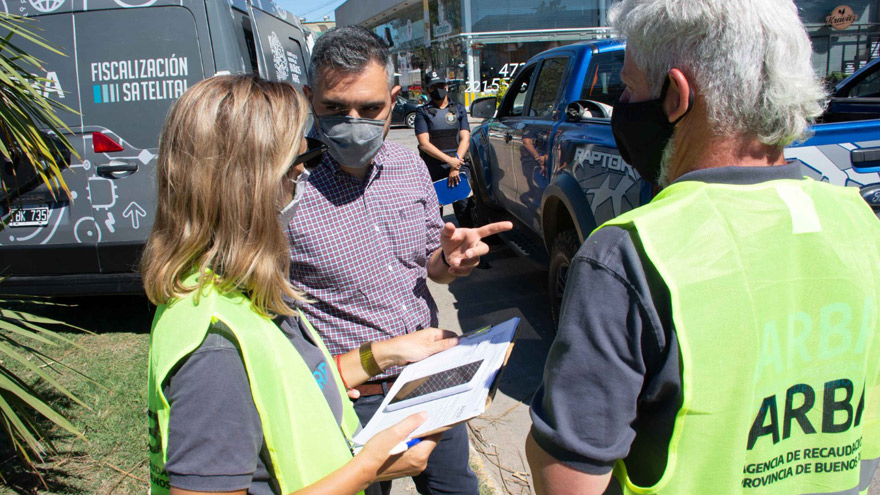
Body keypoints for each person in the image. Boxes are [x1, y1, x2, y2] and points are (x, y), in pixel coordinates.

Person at [526, 1, 880, 494]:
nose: (622, 103)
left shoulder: (628, 256)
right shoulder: (861, 225)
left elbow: (570, 478)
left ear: (676, 95)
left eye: (628, 86)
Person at [143, 75, 461, 495]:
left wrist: (384, 353)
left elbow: (295, 379)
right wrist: (368, 469)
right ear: (249, 185)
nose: (305, 179)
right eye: (297, 166)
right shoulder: (213, 347)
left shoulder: (240, 292)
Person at [287, 26, 511, 495]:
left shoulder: (409, 167)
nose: (353, 122)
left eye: (370, 109)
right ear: (310, 98)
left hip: (431, 378)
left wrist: (450, 260)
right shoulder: (285, 189)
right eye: (334, 108)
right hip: (351, 399)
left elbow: (428, 263)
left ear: (393, 99)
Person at [414, 71, 475, 228]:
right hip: (435, 169)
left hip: (459, 167)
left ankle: (468, 251)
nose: (438, 89)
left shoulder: (458, 109)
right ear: (427, 90)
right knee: (435, 218)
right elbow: (424, 144)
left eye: (440, 85)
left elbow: (465, 139)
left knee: (465, 212)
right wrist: (450, 162)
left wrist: (455, 164)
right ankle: (440, 252)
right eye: (433, 86)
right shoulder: (423, 112)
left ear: (446, 86)